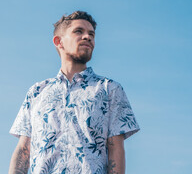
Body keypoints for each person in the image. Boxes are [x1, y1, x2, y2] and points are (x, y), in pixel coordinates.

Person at [9, 11, 140, 174]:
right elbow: (23, 150)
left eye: (91, 34)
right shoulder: (37, 91)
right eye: (79, 31)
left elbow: (115, 148)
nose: (88, 37)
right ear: (59, 42)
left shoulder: (109, 89)